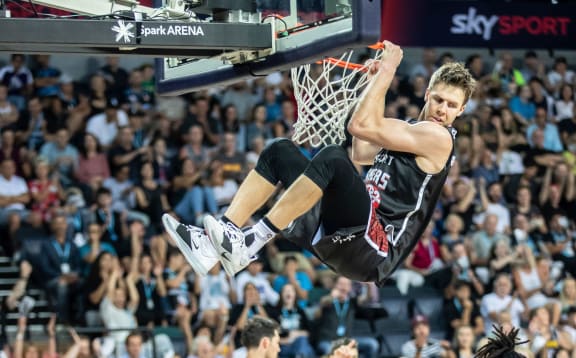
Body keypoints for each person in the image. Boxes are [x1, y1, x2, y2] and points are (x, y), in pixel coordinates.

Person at [162, 41, 476, 285]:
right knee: (280, 152)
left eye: (452, 105)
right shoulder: (409, 130)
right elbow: (362, 151)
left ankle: (250, 241)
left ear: (461, 111)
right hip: (345, 231)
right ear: (428, 94)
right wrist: (373, 84)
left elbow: (362, 128)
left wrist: (388, 71)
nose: (443, 110)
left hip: (375, 247)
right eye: (439, 100)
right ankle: (216, 243)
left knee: (332, 159)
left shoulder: (440, 138)